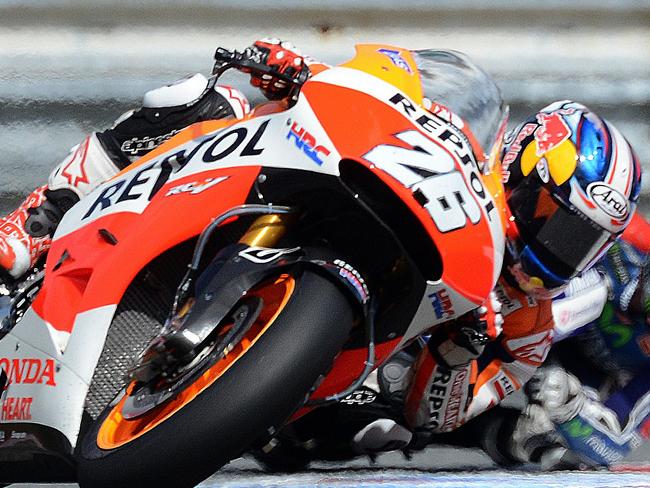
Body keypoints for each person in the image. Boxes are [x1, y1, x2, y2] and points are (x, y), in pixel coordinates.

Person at [253, 100, 643, 469]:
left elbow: (614, 444)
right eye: (564, 230)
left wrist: (568, 407)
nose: (562, 249)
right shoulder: (632, 240)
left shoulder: (539, 323)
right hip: (469, 237)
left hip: (505, 355)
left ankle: (302, 422)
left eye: (580, 244)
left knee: (500, 434)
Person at [0, 38, 313, 281]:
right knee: (219, 103)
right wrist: (293, 69)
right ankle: (37, 226)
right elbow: (328, 88)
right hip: (217, 184)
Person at [470, 212, 650, 470]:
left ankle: (474, 429)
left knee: (549, 441)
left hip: (563, 370)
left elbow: (614, 445)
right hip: (517, 295)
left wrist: (570, 406)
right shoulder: (629, 231)